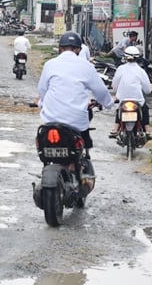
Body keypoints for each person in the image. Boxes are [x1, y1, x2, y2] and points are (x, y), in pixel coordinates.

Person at [38, 31, 114, 184]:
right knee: (84, 142)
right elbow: (100, 91)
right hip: (76, 122)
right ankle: (76, 168)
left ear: (60, 48)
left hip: (50, 120)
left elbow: (42, 90)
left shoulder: (50, 64)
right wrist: (109, 104)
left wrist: (42, 103)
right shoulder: (86, 66)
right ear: (79, 49)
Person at [110, 46, 152, 139]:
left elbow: (114, 86)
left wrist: (117, 92)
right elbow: (147, 90)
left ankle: (115, 129)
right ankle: (148, 130)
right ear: (137, 58)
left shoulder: (120, 69)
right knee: (145, 110)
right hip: (138, 100)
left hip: (122, 99)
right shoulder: (141, 71)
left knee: (119, 109)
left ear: (125, 57)